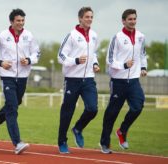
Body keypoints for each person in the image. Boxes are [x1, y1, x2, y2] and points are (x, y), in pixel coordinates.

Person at [0, 8, 41, 155]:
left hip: (23, 76)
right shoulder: (2, 36)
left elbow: (37, 53)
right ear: (11, 21)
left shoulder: (29, 36)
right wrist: (0, 62)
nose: (21, 23)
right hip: (7, 76)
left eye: (23, 20)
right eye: (18, 21)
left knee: (15, 103)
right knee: (12, 109)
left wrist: (29, 60)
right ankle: (17, 143)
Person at [99, 9, 147, 154]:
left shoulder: (141, 36)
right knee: (112, 113)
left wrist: (143, 67)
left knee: (138, 107)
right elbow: (109, 60)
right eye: (130, 19)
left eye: (134, 19)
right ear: (123, 21)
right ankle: (105, 143)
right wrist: (123, 65)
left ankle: (122, 131)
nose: (133, 21)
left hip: (133, 80)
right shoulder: (117, 38)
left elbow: (142, 54)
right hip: (118, 81)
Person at [57, 7, 100, 154]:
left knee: (93, 109)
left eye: (91, 17)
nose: (89, 19)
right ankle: (62, 141)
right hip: (72, 80)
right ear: (80, 18)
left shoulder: (94, 35)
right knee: (67, 112)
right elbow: (60, 56)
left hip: (88, 79)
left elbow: (93, 53)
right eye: (87, 17)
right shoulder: (72, 36)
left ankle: (78, 128)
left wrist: (95, 63)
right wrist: (75, 60)